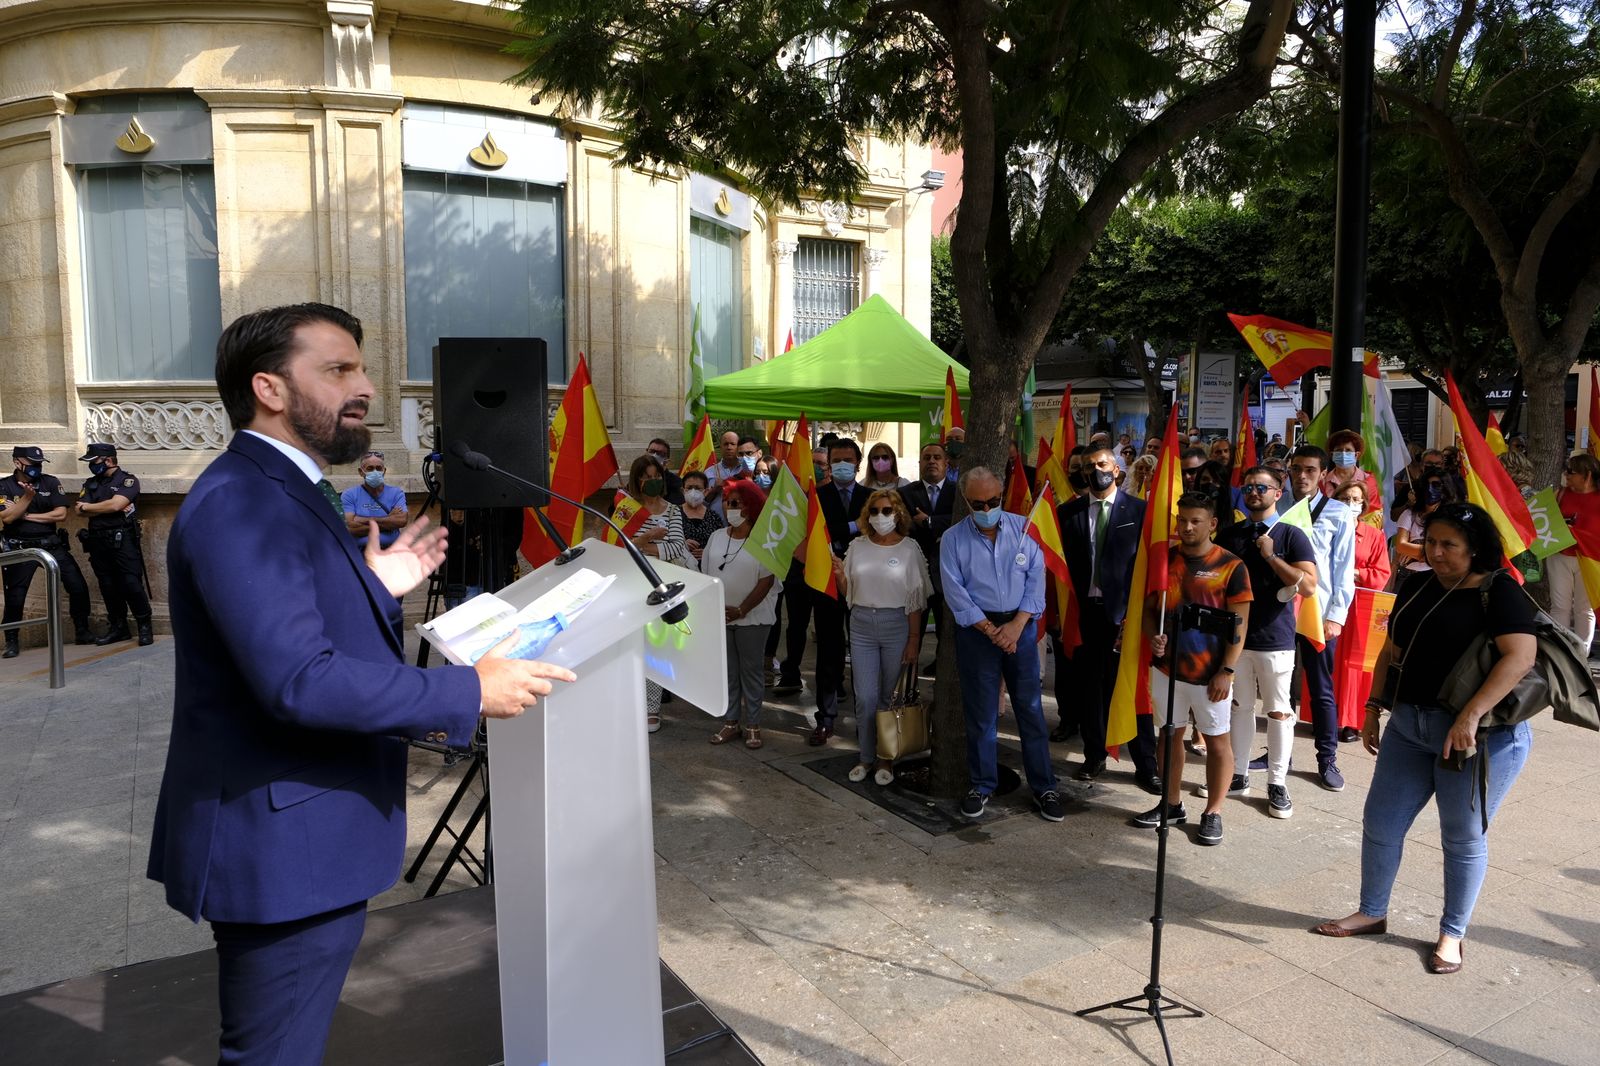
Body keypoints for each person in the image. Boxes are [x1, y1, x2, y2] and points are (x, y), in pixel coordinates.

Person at [146, 302, 573, 1064]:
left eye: (362, 368)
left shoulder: (282, 484)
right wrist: (467, 692)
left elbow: (285, 626)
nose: (366, 387)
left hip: (302, 836)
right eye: (339, 368)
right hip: (283, 845)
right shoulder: (244, 498)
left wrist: (374, 588)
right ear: (270, 389)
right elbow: (299, 681)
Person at [1314, 502, 1537, 975]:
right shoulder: (1416, 584)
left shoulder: (1500, 593)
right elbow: (1391, 649)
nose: (1435, 552)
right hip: (1410, 726)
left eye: (1448, 545)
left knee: (1461, 836)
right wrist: (1372, 709)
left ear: (1475, 549)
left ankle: (1452, 934)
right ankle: (1372, 911)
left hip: (1480, 738)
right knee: (1381, 822)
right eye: (1431, 542)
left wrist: (1471, 715)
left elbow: (1520, 658)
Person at [941, 467, 1065, 822]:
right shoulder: (953, 539)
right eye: (978, 503)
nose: (986, 508)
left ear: (1002, 494)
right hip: (977, 632)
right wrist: (990, 629)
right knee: (981, 715)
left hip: (1020, 627)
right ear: (967, 501)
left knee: (1030, 710)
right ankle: (981, 784)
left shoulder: (1025, 529)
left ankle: (1045, 787)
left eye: (993, 501)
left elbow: (1035, 582)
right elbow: (955, 591)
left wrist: (1015, 626)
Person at [1132, 492, 1252, 846]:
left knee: (1217, 743)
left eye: (1195, 521)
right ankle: (1171, 804)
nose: (1186, 527)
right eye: (1182, 520)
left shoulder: (1232, 566)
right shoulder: (1164, 561)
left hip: (1210, 673)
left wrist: (1227, 671)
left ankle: (1213, 811)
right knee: (1169, 736)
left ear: (1212, 524)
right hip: (1167, 670)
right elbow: (1150, 608)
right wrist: (1154, 636)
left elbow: (1239, 626)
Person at [1055, 442, 1159, 791]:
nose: (1095, 471)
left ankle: (1146, 765)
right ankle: (1094, 756)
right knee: (1090, 691)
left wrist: (1140, 615)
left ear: (1116, 470)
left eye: (1102, 464)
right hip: (1085, 616)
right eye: (1088, 466)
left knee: (1131, 690)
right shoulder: (1066, 514)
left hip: (1127, 619)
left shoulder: (1141, 511)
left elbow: (1148, 567)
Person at [1214, 467, 1316, 819]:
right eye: (1249, 487)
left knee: (1278, 711)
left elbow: (1308, 586)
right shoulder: (1230, 535)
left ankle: (1277, 782)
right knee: (1239, 708)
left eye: (1262, 487)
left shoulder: (1291, 535)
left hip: (1275, 639)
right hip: (1236, 640)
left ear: (1278, 492)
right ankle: (1239, 774)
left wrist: (1272, 556)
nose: (1254, 492)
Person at [833, 489, 931, 784]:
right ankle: (865, 756)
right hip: (861, 623)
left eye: (886, 511)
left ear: (898, 513)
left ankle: (885, 759)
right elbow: (847, 591)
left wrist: (914, 639)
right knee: (865, 696)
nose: (880, 516)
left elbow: (915, 598)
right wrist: (839, 575)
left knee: (890, 697)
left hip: (896, 624)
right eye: (874, 511)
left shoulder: (909, 548)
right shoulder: (858, 546)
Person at [1282, 445, 1357, 791]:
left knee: (1321, 688)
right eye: (1296, 469)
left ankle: (1327, 758)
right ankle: (1278, 754)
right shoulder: (1278, 507)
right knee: (1279, 688)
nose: (1302, 476)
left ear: (1324, 474)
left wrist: (1336, 615)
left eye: (1310, 470)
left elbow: (1344, 570)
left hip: (1318, 613)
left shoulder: (1340, 513)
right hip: (1281, 612)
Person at [703, 479, 778, 749]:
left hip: (752, 618)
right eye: (727, 502)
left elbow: (766, 581)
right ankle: (731, 722)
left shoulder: (763, 540)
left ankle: (754, 724)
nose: (729, 508)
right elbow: (706, 574)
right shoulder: (716, 537)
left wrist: (741, 610)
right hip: (721, 617)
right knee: (729, 672)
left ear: (750, 507)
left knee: (751, 672)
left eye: (736, 503)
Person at [1, 445, 95, 654]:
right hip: (20, 547)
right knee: (15, 596)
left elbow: (60, 514)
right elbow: (7, 517)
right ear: (18, 463)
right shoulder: (4, 486)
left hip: (50, 544)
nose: (37, 468)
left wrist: (24, 514)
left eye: (39, 464)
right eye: (32, 464)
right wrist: (26, 498)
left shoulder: (50, 482)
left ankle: (82, 629)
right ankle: (12, 640)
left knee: (77, 586)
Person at [808, 438, 869, 744]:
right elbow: (824, 532)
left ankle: (865, 719)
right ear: (829, 464)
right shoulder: (817, 497)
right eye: (837, 460)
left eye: (848, 459)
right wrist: (854, 526)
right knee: (829, 652)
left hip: (864, 585)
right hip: (827, 583)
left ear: (858, 463)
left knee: (862, 654)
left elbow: (876, 528)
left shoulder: (872, 497)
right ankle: (825, 718)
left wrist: (850, 527)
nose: (843, 465)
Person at [623, 453, 689, 732]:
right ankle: (628, 703)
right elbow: (619, 543)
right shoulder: (626, 510)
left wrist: (640, 545)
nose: (652, 480)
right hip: (631, 585)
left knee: (655, 648)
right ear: (637, 479)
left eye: (656, 476)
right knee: (630, 647)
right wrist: (649, 537)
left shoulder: (672, 510)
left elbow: (676, 547)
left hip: (661, 587)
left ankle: (651, 708)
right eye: (646, 476)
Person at [72, 443, 154, 646]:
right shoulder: (91, 483)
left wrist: (91, 507)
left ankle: (144, 626)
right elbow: (78, 510)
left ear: (108, 460)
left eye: (94, 462)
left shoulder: (127, 481)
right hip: (98, 540)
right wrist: (103, 507)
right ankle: (119, 627)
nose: (91, 466)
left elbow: (117, 504)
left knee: (131, 584)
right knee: (108, 586)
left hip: (122, 540)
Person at [1332, 479, 1393, 742]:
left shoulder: (1374, 535)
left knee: (1355, 663)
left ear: (1364, 505)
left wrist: (1355, 572)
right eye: (1345, 499)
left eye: (1356, 500)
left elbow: (1382, 572)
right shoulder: (1326, 529)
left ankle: (1351, 721)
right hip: (1330, 602)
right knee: (1330, 660)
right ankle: (1327, 715)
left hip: (1360, 605)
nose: (1351, 504)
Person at [899, 441, 955, 657]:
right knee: (911, 637)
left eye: (937, 457)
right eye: (927, 457)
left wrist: (929, 521)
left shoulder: (958, 491)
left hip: (947, 577)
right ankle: (907, 686)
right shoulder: (905, 492)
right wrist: (940, 525)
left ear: (946, 463)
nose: (932, 461)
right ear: (920, 463)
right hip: (914, 576)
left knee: (947, 637)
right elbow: (904, 524)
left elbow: (959, 522)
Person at [1550, 454, 1600, 654]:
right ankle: (1561, 652)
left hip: (1590, 560)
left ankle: (1581, 654)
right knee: (1559, 606)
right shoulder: (1560, 494)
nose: (1566, 475)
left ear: (1587, 475)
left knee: (1584, 609)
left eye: (1571, 472)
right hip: (1560, 555)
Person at [341, 450, 407, 551]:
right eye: (370, 468)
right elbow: (350, 528)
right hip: (361, 554)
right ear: (361, 472)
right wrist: (388, 520)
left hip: (390, 554)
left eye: (378, 468)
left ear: (384, 471)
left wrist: (361, 520)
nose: (375, 472)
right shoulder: (349, 495)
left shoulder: (396, 493)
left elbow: (401, 521)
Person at [1395, 471, 1452, 575]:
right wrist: (1429, 553)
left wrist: (1414, 551)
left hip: (1436, 576)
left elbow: (1447, 552)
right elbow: (1400, 546)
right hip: (1407, 575)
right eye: (1427, 485)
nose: (1430, 489)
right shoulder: (1409, 514)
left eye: (1436, 485)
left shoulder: (1450, 519)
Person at [1320, 429, 1383, 513]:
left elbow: (1374, 512)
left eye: (1348, 450)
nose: (1343, 453)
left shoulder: (1368, 480)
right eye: (1339, 450)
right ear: (1332, 455)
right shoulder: (1323, 481)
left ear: (1356, 455)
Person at [679, 469, 723, 566]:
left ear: (706, 491)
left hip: (707, 568)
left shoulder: (714, 517)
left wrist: (707, 553)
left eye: (698, 488)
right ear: (683, 490)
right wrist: (682, 544)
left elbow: (722, 545)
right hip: (680, 567)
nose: (693, 492)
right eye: (689, 488)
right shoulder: (674, 513)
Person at [704, 430, 746, 518]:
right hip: (716, 522)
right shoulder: (709, 472)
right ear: (720, 447)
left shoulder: (746, 470)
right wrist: (714, 490)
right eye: (726, 444)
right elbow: (702, 503)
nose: (729, 447)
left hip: (742, 522)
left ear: (738, 447)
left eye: (732, 444)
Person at [645, 438, 685, 504]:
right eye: (652, 451)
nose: (654, 456)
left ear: (667, 460)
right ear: (646, 452)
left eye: (660, 453)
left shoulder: (676, 482)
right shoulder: (638, 477)